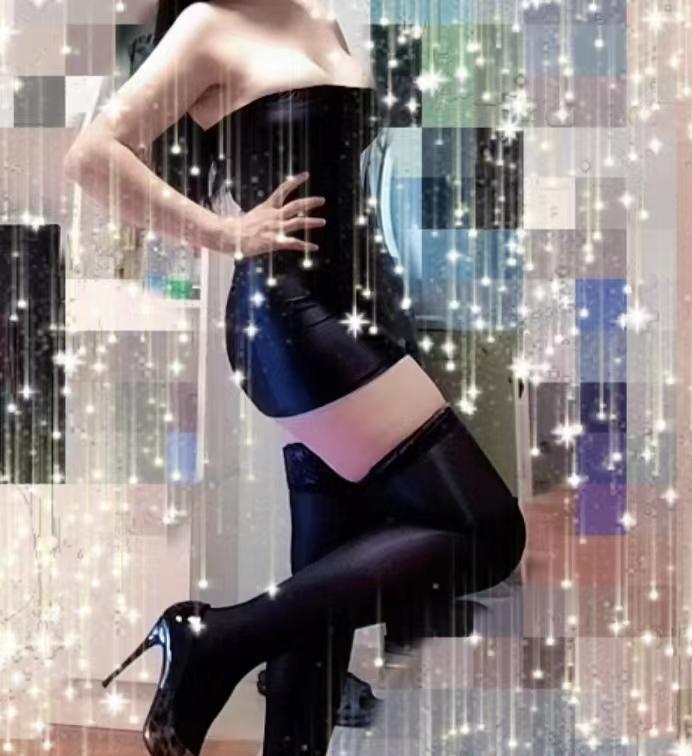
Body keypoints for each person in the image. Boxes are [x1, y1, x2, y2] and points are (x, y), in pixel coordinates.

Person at [63, 2, 528, 755]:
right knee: (485, 531)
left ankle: (258, 689)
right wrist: (223, 232)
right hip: (295, 321)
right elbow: (91, 155)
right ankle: (215, 639)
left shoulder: (321, 20)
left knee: (322, 593)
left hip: (359, 317)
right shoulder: (208, 25)